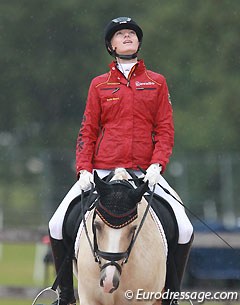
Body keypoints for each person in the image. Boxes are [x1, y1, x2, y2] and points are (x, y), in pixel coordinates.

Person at [49, 16, 194, 305]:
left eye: (131, 33)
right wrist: (84, 170)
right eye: (120, 34)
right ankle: (65, 296)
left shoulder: (156, 82)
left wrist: (157, 165)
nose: (127, 36)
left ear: (138, 42)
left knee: (185, 227)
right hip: (102, 169)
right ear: (111, 45)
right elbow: (87, 130)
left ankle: (171, 297)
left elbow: (165, 129)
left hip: (144, 172)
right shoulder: (99, 85)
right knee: (56, 224)